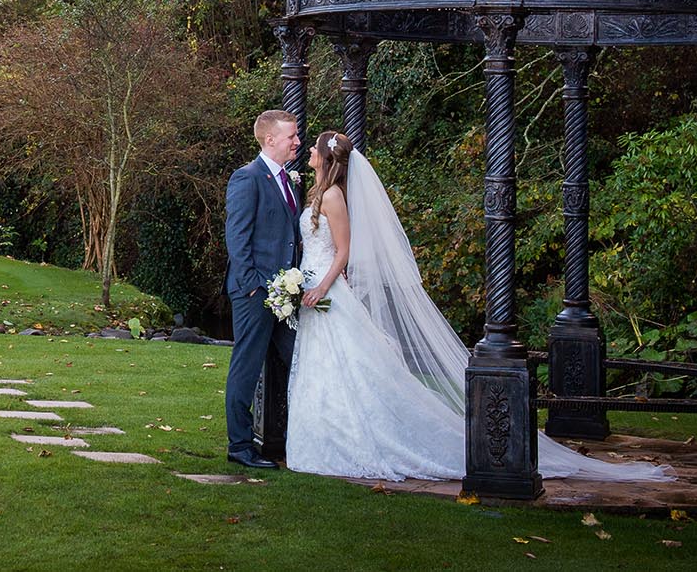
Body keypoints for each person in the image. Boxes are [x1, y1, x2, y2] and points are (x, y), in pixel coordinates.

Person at [285, 130, 671, 483]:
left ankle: (358, 439)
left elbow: (345, 251)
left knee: (350, 369)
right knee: (325, 367)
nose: (309, 154)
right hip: (313, 291)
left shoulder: (334, 196)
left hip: (326, 293)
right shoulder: (318, 192)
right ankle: (324, 435)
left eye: (314, 150)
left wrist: (320, 286)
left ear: (325, 156)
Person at [222, 109, 303, 469]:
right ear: (270, 140)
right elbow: (237, 241)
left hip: (286, 294)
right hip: (255, 293)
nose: (297, 141)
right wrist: (256, 288)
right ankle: (239, 446)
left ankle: (293, 438)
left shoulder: (288, 180)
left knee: (300, 361)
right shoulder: (247, 178)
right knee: (247, 366)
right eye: (292, 136)